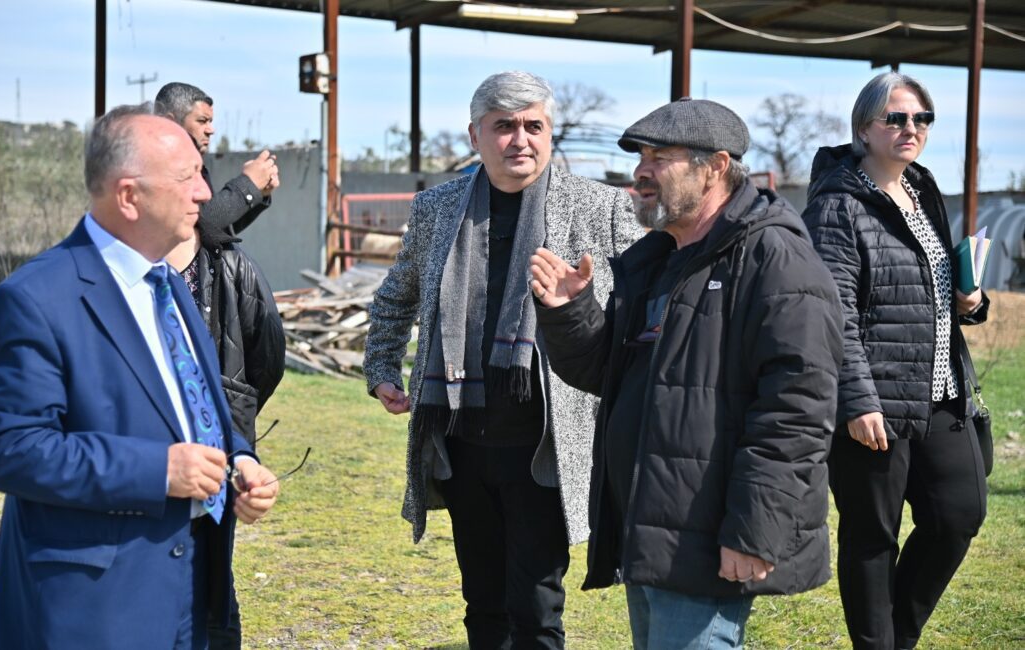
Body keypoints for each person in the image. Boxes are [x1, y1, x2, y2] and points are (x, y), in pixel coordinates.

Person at [529, 98, 844, 649]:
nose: (641, 171)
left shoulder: (774, 257)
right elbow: (609, 375)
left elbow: (797, 410)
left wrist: (753, 531)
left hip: (710, 536)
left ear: (715, 167)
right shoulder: (661, 260)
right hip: (652, 529)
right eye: (640, 158)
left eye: (660, 158)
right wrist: (570, 311)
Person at [0, 104, 280, 650]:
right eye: (187, 178)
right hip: (96, 609)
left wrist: (240, 461)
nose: (204, 194)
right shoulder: (34, 298)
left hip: (193, 592)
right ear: (128, 196)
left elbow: (195, 409)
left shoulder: (170, 286)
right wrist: (159, 470)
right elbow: (13, 451)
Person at [363, 71, 641, 648]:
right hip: (461, 437)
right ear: (476, 135)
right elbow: (395, 296)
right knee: (482, 602)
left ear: (550, 131)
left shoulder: (602, 207)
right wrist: (382, 368)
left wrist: (584, 307)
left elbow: (642, 309)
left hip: (545, 443)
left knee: (537, 607)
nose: (521, 140)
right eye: (504, 126)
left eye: (534, 126)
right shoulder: (438, 208)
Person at [801, 72, 988, 650]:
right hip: (875, 403)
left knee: (959, 514)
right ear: (864, 129)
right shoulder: (836, 205)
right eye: (897, 118)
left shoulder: (922, 190)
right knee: (872, 537)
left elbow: (925, 290)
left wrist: (971, 302)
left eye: (922, 118)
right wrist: (857, 401)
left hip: (941, 394)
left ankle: (895, 639)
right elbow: (832, 313)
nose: (912, 128)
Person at [165, 213, 286, 649]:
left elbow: (267, 354)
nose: (199, 197)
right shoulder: (135, 280)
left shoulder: (229, 266)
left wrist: (238, 443)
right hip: (143, 509)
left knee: (215, 590)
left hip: (218, 462)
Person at [155, 81, 280, 236]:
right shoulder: (154, 165)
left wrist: (260, 192)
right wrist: (248, 185)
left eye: (210, 122)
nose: (211, 130)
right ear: (170, 122)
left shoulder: (192, 164)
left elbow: (218, 230)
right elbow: (198, 224)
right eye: (202, 121)